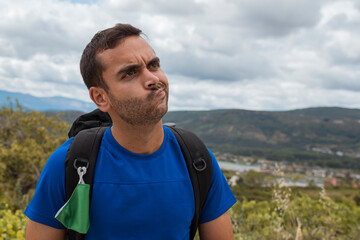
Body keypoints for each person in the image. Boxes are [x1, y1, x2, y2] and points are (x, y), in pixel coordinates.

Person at [25, 23, 237, 240]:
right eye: (130, 73)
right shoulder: (70, 163)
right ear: (100, 97)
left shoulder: (197, 159)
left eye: (153, 65)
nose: (153, 79)